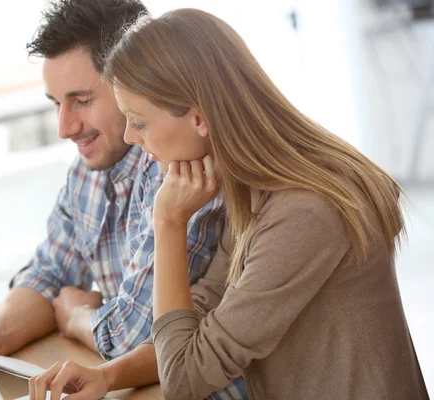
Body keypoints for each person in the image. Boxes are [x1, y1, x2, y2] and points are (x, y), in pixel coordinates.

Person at [29, 8, 429, 400]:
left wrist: (167, 222)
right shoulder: (253, 191)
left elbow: (184, 379)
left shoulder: (302, 213)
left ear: (199, 119)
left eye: (140, 121)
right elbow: (201, 320)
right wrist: (106, 376)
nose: (132, 138)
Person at [0, 0, 229, 383]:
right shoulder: (89, 170)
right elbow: (49, 273)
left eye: (81, 101)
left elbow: (137, 336)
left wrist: (76, 317)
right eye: (56, 104)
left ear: (131, 84)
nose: (64, 128)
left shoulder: (180, 170)